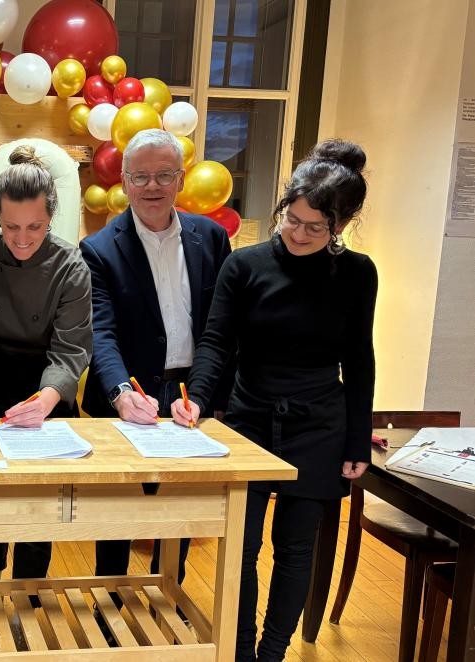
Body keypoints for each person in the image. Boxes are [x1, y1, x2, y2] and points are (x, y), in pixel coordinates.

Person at [171, 140, 376, 662]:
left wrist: (357, 440)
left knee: (295, 548)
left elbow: (359, 359)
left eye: (316, 228)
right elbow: (216, 341)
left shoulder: (357, 273)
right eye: (292, 220)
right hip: (251, 417)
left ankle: (273, 653)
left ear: (341, 225)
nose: (299, 234)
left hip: (319, 423)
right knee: (241, 547)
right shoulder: (245, 265)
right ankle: (241, 651)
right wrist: (198, 399)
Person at [79, 129, 232, 604]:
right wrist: (121, 392)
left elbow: (219, 329)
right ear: (124, 181)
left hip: (189, 392)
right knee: (117, 514)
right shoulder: (99, 248)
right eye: (140, 176)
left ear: (181, 179)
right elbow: (101, 332)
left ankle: (168, 596)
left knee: (179, 511)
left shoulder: (212, 239)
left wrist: (205, 396)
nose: (152, 186)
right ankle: (109, 603)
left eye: (164, 175)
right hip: (129, 393)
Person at [0, 145, 92, 642]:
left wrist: (46, 401)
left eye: (34, 227)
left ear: (51, 217)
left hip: (46, 387)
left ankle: (27, 597)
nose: (21, 238)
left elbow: (72, 347)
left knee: (41, 499)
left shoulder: (71, 267)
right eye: (10, 227)